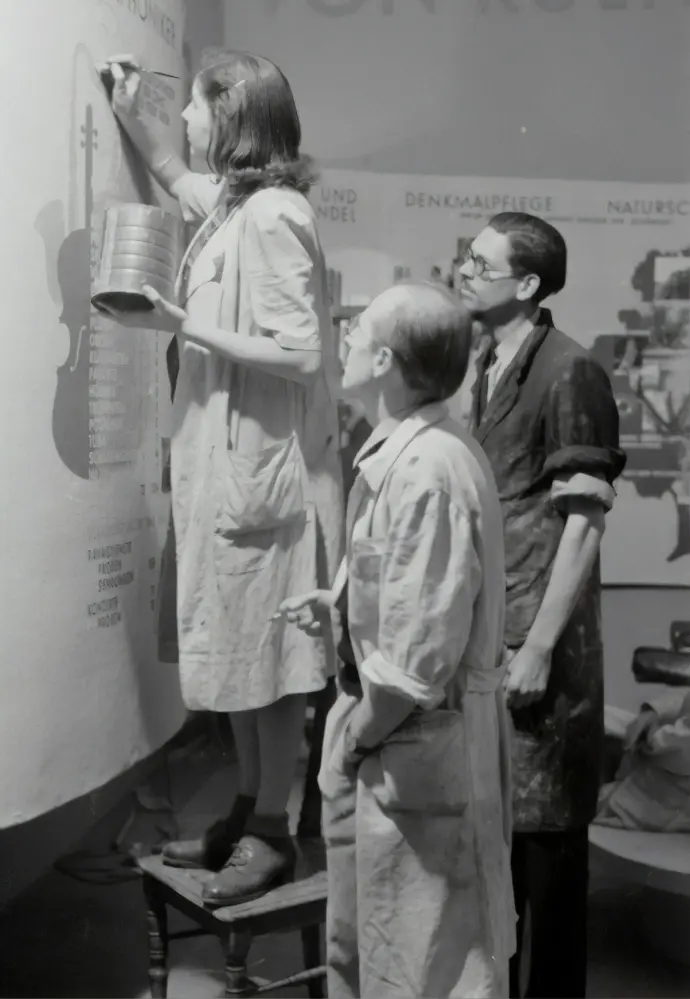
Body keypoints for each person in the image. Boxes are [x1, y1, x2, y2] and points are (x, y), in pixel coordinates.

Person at [100, 52, 344, 905]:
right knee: (233, 658)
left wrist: (180, 323)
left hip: (258, 483)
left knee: (268, 664)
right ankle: (247, 809)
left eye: (197, 108)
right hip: (221, 474)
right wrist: (133, 109)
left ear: (231, 112)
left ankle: (275, 826)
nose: (189, 124)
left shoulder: (275, 214)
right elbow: (174, 175)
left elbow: (299, 351)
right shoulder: (237, 206)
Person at [278, 282, 515, 998]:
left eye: (355, 336)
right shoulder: (408, 453)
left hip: (410, 748)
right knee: (379, 956)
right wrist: (345, 602)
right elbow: (413, 596)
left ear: (384, 358)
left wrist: (354, 741)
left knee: (423, 969)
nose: (343, 345)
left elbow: (416, 665)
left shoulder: (425, 470)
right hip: (397, 746)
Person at [458, 212, 627, 998]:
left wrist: (538, 646)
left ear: (525, 284)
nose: (463, 270)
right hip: (498, 642)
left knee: (549, 878)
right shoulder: (488, 364)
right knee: (503, 877)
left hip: (542, 659)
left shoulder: (569, 371)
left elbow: (584, 526)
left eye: (479, 263)